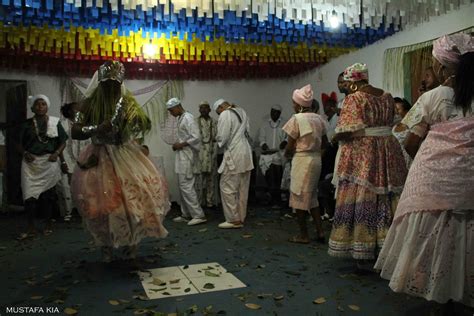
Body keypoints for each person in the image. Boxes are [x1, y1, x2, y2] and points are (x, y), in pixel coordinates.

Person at [375, 34, 474, 308]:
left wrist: (428, 166)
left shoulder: (433, 97)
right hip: (469, 183)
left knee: (433, 239)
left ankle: (436, 296)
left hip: (433, 184)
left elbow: (410, 140)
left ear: (443, 68)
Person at [71, 61, 170, 262]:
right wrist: (97, 129)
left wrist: (135, 123)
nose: (112, 89)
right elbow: (75, 130)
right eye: (107, 85)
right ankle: (106, 245)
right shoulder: (89, 104)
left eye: (115, 85)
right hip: (99, 157)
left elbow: (144, 124)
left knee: (133, 202)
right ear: (100, 84)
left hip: (126, 155)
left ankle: (132, 243)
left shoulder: (127, 103)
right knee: (102, 206)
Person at [328, 63, 408, 267]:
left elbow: (347, 129)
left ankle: (362, 249)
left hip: (363, 152)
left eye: (346, 82)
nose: (344, 86)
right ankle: (387, 247)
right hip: (388, 149)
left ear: (354, 82)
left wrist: (335, 137)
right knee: (386, 194)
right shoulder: (387, 96)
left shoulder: (354, 98)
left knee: (362, 192)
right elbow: (392, 121)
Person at [18, 94, 68, 238]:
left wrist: (57, 153)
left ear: (47, 107)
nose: (40, 107)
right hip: (30, 163)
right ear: (32, 108)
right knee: (29, 197)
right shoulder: (26, 124)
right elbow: (18, 143)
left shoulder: (55, 122)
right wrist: (25, 153)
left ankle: (48, 224)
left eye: (43, 104)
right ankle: (31, 226)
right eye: (37, 104)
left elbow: (63, 141)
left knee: (48, 196)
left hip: (49, 162)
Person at [283, 85, 327, 244]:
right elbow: (325, 144)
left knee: (298, 196)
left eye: (294, 103)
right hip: (316, 160)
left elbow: (289, 145)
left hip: (302, 159)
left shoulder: (297, 119)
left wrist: (288, 155)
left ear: (299, 104)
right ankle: (320, 231)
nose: (293, 105)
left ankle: (303, 235)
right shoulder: (319, 118)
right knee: (312, 196)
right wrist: (315, 155)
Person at [213, 99, 254, 229]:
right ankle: (241, 217)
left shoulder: (225, 114)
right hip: (246, 152)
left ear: (220, 107)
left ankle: (233, 219)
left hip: (235, 152)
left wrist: (217, 140)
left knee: (226, 186)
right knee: (243, 187)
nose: (219, 115)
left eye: (217, 112)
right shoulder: (242, 111)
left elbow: (223, 136)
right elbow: (248, 132)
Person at [166, 98, 207, 226]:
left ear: (178, 106)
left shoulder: (188, 118)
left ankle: (198, 215)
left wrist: (181, 144)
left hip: (187, 157)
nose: (171, 113)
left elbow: (196, 137)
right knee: (182, 186)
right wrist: (178, 145)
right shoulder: (181, 118)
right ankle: (186, 214)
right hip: (182, 156)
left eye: (171, 110)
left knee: (187, 186)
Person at [56, 102, 90, 222]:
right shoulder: (62, 124)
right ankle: (67, 214)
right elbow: (59, 144)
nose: (79, 111)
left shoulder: (86, 125)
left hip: (83, 160)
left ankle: (82, 213)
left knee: (83, 188)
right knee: (65, 187)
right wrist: (64, 162)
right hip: (65, 159)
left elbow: (88, 144)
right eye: (76, 109)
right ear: (69, 111)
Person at [257, 104, 287, 206]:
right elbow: (261, 138)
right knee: (269, 174)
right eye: (272, 112)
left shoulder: (284, 124)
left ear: (279, 114)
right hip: (268, 154)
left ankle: (277, 195)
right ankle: (271, 194)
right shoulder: (265, 124)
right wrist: (263, 144)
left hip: (279, 154)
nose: (273, 114)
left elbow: (288, 137)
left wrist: (285, 142)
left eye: (276, 113)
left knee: (278, 175)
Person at [319, 93, 339, 222]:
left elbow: (333, 137)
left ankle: (332, 212)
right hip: (327, 150)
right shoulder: (325, 120)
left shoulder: (337, 118)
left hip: (334, 150)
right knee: (324, 180)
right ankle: (327, 211)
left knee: (330, 181)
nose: (325, 108)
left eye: (327, 106)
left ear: (332, 107)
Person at [195, 101, 218, 208]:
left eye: (206, 108)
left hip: (211, 153)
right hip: (200, 154)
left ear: (209, 110)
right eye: (201, 108)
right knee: (199, 180)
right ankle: (199, 202)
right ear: (199, 110)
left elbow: (217, 138)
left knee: (211, 179)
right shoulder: (195, 122)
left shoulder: (214, 122)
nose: (203, 110)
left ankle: (210, 202)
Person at [391, 97, 412, 168]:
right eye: (393, 111)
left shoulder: (413, 126)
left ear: (406, 111)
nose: (395, 113)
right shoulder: (393, 128)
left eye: (398, 110)